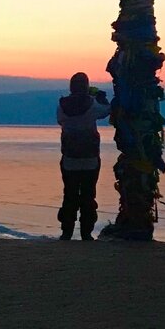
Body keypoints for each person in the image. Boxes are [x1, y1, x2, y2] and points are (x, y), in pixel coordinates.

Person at [56, 72, 111, 241]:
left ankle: (67, 232)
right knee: (88, 195)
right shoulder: (92, 104)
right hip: (90, 158)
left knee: (69, 194)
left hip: (69, 159)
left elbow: (60, 121)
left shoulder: (62, 105)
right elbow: (106, 111)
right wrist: (101, 98)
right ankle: (86, 233)